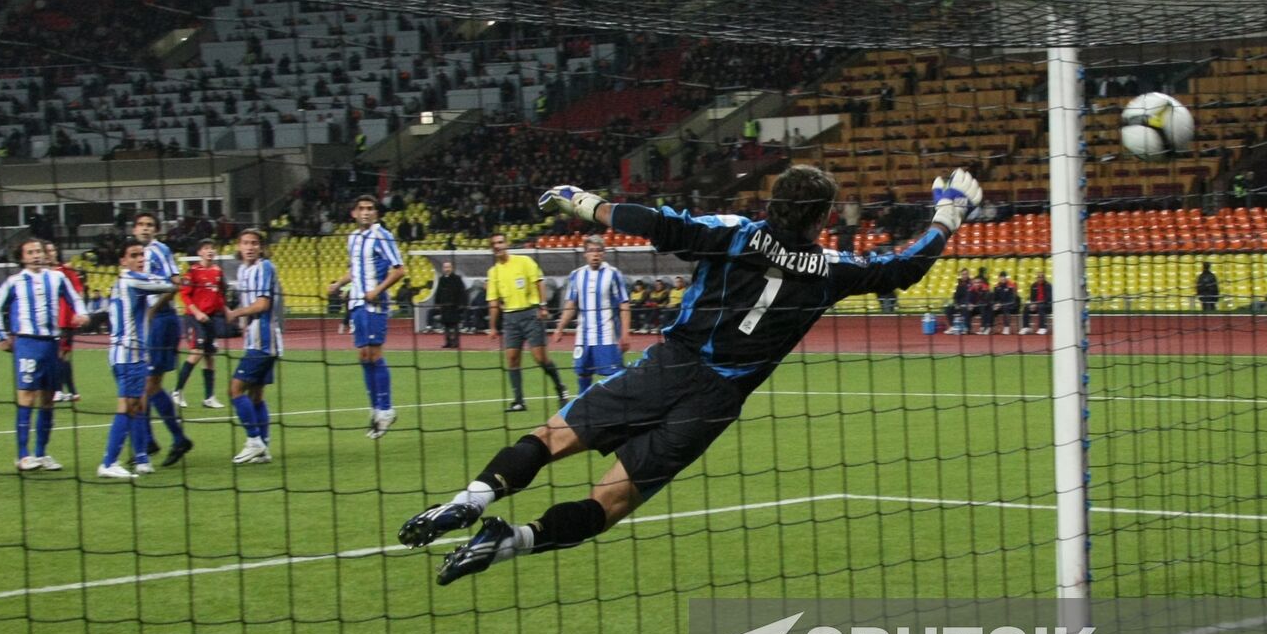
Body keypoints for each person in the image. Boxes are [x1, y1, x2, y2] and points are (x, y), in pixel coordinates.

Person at [398, 165, 982, 585]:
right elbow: (904, 268)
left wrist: (580, 200)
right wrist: (947, 215)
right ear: (821, 218)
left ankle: (471, 499)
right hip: (714, 403)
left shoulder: (734, 233)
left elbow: (652, 223)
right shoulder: (834, 269)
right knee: (609, 503)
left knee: (550, 438)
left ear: (773, 203)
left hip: (666, 367)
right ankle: (512, 541)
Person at [0, 238, 88, 471]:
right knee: (26, 397)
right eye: (31, 252)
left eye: (39, 251)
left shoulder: (57, 278)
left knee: (47, 400)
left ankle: (42, 454)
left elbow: (75, 298)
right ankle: (23, 456)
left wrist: (82, 314)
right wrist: (0, 336)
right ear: (22, 257)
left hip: (52, 343)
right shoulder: (14, 281)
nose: (36, 255)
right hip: (27, 343)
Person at [97, 239, 179, 480]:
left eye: (142, 254)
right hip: (129, 354)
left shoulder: (123, 282)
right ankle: (109, 462)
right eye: (134, 255)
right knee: (128, 405)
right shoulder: (133, 280)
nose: (141, 259)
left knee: (139, 404)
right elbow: (170, 285)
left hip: (127, 353)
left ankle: (142, 458)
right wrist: (174, 274)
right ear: (123, 261)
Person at [328, 194, 405, 440]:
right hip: (357, 303)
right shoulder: (353, 238)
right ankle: (376, 409)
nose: (366, 212)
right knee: (363, 356)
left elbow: (399, 270)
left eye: (370, 208)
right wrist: (338, 284)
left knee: (374, 354)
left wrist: (378, 290)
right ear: (353, 213)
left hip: (374, 304)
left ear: (376, 213)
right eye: (361, 208)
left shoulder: (382, 235)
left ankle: (386, 409)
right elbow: (355, 269)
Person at [131, 211, 194, 467]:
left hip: (161, 320)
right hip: (152, 322)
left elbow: (176, 283)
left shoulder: (158, 250)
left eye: (149, 225)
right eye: (141, 225)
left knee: (148, 383)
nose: (145, 228)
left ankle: (173, 439)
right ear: (134, 229)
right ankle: (151, 440)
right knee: (146, 383)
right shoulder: (138, 254)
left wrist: (153, 310)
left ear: (156, 230)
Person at [486, 233, 569, 412]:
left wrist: (543, 306)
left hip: (530, 314)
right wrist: (492, 326)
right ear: (492, 248)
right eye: (494, 244)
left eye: (500, 242)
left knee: (540, 358)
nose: (498, 246)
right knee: (512, 359)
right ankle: (518, 401)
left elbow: (539, 282)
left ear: (506, 244)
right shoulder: (493, 273)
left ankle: (561, 388)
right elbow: (493, 302)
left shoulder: (524, 261)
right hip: (510, 318)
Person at [226, 229, 282, 465]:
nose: (249, 247)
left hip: (264, 341)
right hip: (256, 340)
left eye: (254, 243)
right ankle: (264, 448)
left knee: (235, 390)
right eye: (245, 243)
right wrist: (242, 323)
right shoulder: (243, 270)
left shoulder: (264, 267)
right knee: (256, 395)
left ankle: (254, 441)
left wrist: (236, 313)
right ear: (239, 246)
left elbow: (262, 304)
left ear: (261, 247)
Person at [552, 235, 630, 393]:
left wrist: (625, 334)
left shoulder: (613, 274)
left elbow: (624, 304)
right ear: (585, 254)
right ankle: (584, 406)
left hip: (607, 336)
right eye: (591, 250)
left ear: (604, 253)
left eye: (598, 250)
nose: (595, 254)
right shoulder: (576, 275)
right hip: (583, 337)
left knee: (614, 378)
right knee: (583, 375)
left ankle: (616, 406)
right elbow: (571, 305)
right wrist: (560, 328)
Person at [173, 239, 228, 409]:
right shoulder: (193, 272)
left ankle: (209, 397)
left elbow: (219, 296)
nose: (210, 251)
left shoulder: (218, 271)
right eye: (206, 248)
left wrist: (226, 311)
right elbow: (184, 294)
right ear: (200, 252)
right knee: (197, 352)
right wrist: (197, 312)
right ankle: (177, 391)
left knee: (210, 356)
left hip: (210, 318)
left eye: (212, 248)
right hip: (193, 317)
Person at [44, 242, 84, 403]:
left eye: (52, 250)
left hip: (64, 319)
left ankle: (59, 391)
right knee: (62, 357)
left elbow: (78, 291)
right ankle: (71, 392)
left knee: (61, 355)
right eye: (46, 251)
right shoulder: (41, 273)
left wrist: (78, 312)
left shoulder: (65, 271)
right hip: (49, 321)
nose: (50, 253)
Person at [434, 260, 467, 349]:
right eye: (445, 267)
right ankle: (448, 342)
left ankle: (456, 342)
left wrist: (462, 304)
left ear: (452, 268)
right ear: (443, 268)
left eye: (448, 267)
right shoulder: (441, 279)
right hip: (444, 306)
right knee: (446, 325)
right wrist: (437, 303)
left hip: (454, 306)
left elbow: (462, 292)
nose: (447, 269)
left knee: (455, 325)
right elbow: (438, 292)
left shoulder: (457, 278)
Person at [988, 271, 1020, 335]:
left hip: (1010, 306)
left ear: (1006, 278)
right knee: (991, 308)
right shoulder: (996, 286)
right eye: (1001, 277)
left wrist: (1001, 304)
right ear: (999, 278)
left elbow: (1011, 300)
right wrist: (996, 304)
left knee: (1006, 307)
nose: (1003, 278)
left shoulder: (1011, 286)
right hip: (1000, 306)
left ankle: (1006, 327)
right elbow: (994, 299)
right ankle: (989, 327)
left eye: (1004, 277)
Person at [944, 268, 973, 334]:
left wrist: (968, 303)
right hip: (959, 304)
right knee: (948, 309)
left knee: (965, 309)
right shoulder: (959, 285)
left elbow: (972, 296)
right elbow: (956, 296)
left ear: (968, 274)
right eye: (963, 274)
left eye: (966, 274)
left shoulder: (971, 284)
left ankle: (966, 328)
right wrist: (956, 304)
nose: (964, 276)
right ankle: (952, 326)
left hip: (968, 305)